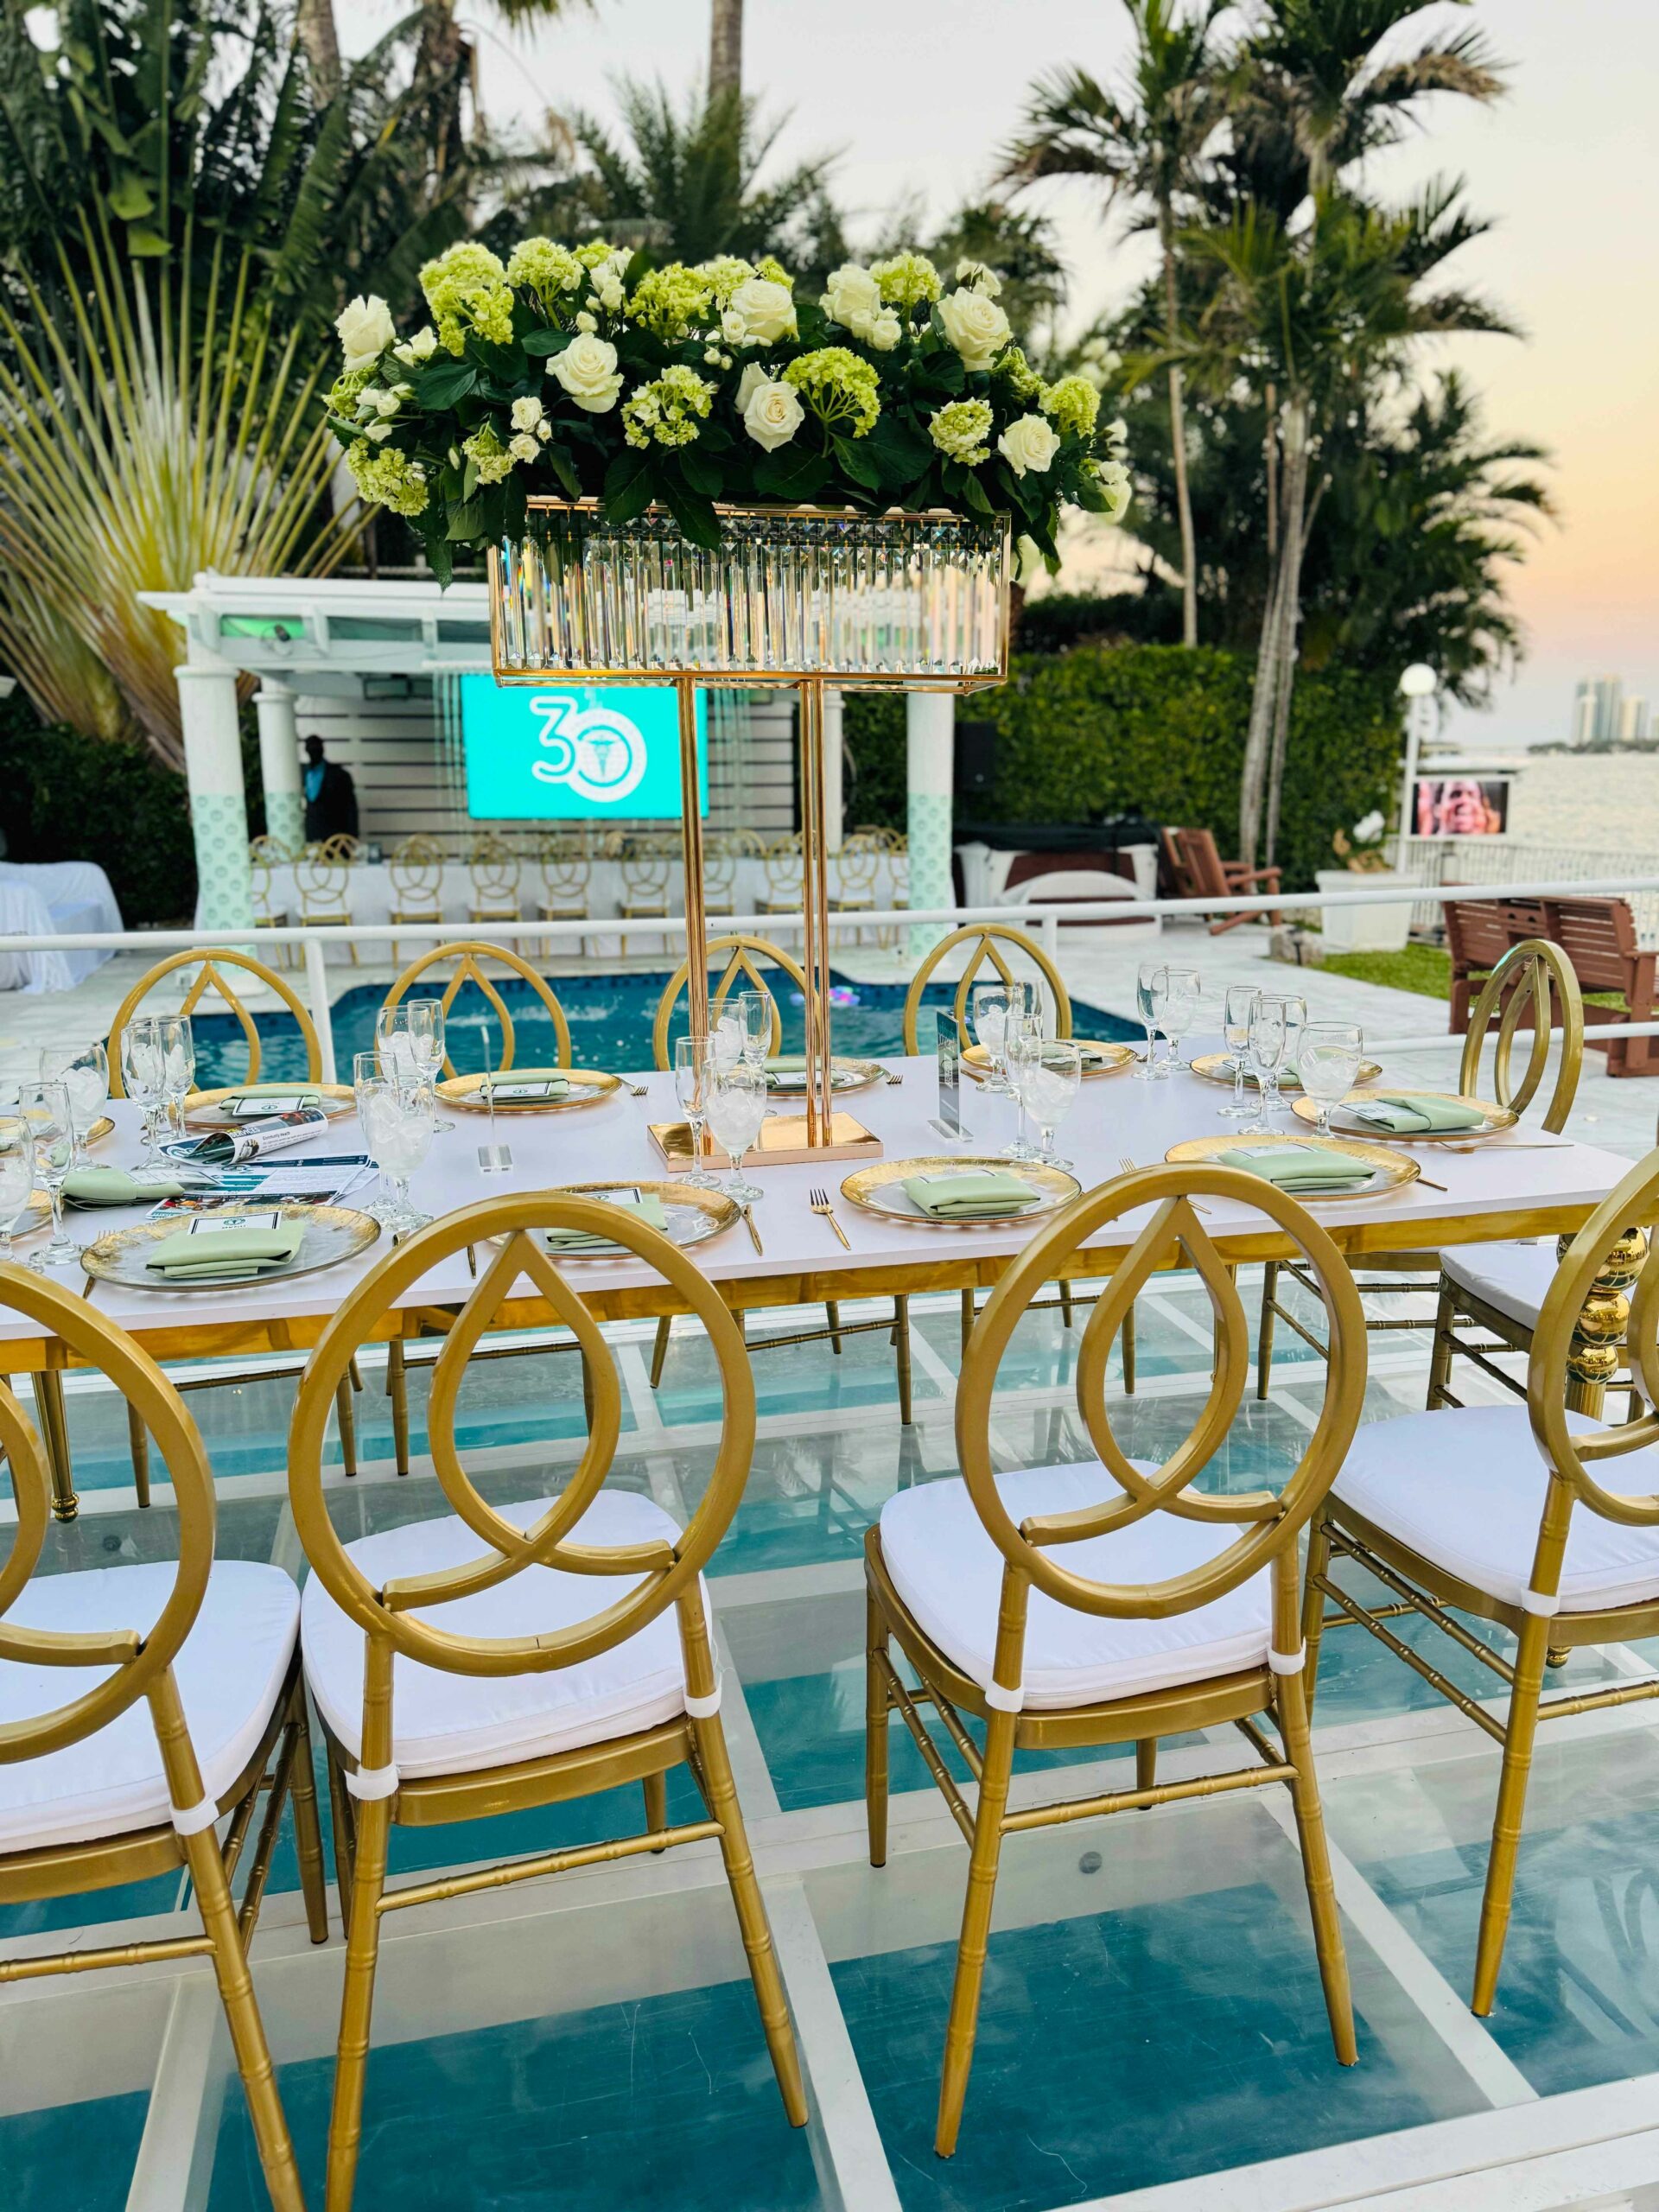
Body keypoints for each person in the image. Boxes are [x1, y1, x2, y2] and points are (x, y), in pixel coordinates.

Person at [302, 735, 358, 843]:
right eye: (310, 749)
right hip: (311, 834)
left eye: (316, 748)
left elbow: (351, 808)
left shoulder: (339, 775)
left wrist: (352, 837)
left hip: (336, 834)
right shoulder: (302, 773)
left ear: (322, 750)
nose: (313, 752)